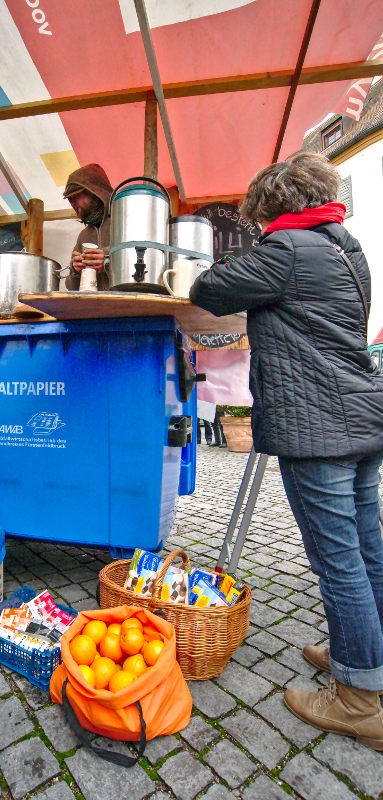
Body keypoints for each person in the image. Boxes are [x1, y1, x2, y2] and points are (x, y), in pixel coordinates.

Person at [190, 150, 383, 750]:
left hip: (318, 424)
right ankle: (367, 653)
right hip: (362, 415)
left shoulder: (286, 251)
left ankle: (359, 699)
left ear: (273, 206)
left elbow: (208, 288)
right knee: (368, 544)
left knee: (338, 559)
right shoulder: (346, 248)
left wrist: (237, 253)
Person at [63, 163, 113, 290]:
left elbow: (142, 260)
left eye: (76, 196)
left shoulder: (124, 221)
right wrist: (75, 271)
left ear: (94, 191)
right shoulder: (83, 236)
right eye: (70, 199)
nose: (73, 203)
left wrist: (107, 260)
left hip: (127, 306)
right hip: (94, 308)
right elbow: (71, 288)